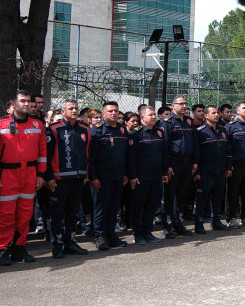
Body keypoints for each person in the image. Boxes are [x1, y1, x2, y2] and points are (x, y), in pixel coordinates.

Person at [0, 91, 46, 265]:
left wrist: (40, 174)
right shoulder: (2, 124)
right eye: (22, 101)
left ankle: (20, 249)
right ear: (13, 103)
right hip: (7, 174)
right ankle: (3, 249)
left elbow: (43, 153)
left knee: (25, 215)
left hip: (30, 174)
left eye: (28, 101)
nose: (26, 104)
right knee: (5, 214)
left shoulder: (37, 125)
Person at [45, 100, 90, 259]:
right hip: (59, 180)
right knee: (57, 213)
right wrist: (48, 177)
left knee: (73, 212)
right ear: (63, 112)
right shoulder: (54, 130)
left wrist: (86, 174)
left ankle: (70, 242)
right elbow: (46, 156)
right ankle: (57, 244)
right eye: (70, 108)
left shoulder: (85, 129)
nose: (74, 110)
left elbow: (88, 153)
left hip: (78, 179)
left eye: (76, 108)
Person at [88, 101, 132, 251]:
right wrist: (93, 177)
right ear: (104, 113)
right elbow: (91, 158)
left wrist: (126, 173)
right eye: (110, 111)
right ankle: (99, 236)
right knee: (101, 207)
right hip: (102, 178)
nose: (114, 113)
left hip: (118, 177)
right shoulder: (97, 131)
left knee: (114, 207)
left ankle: (111, 234)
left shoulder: (122, 131)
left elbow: (126, 155)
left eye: (116, 111)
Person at [128, 106, 169, 245]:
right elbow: (131, 158)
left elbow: (164, 154)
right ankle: (138, 233)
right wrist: (133, 175)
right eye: (150, 115)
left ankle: (147, 231)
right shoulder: (136, 134)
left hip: (156, 175)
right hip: (141, 177)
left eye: (154, 115)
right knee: (138, 206)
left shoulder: (159, 132)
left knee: (152, 205)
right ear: (142, 118)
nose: (153, 117)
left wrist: (164, 172)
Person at [161, 96, 198, 238]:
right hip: (173, 162)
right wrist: (167, 165)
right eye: (181, 103)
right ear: (172, 105)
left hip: (187, 163)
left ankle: (178, 223)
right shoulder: (168, 123)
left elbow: (194, 144)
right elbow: (164, 146)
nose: (184, 106)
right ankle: (167, 225)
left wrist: (195, 161)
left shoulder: (189, 122)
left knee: (182, 195)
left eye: (185, 103)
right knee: (170, 195)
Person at [193, 106, 232, 233]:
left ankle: (216, 221)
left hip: (220, 171)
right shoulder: (200, 132)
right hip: (205, 172)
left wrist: (228, 167)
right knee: (202, 199)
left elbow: (228, 150)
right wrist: (197, 171)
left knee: (218, 197)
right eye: (213, 113)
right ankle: (199, 224)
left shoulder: (222, 130)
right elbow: (196, 154)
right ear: (206, 116)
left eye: (217, 113)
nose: (216, 115)